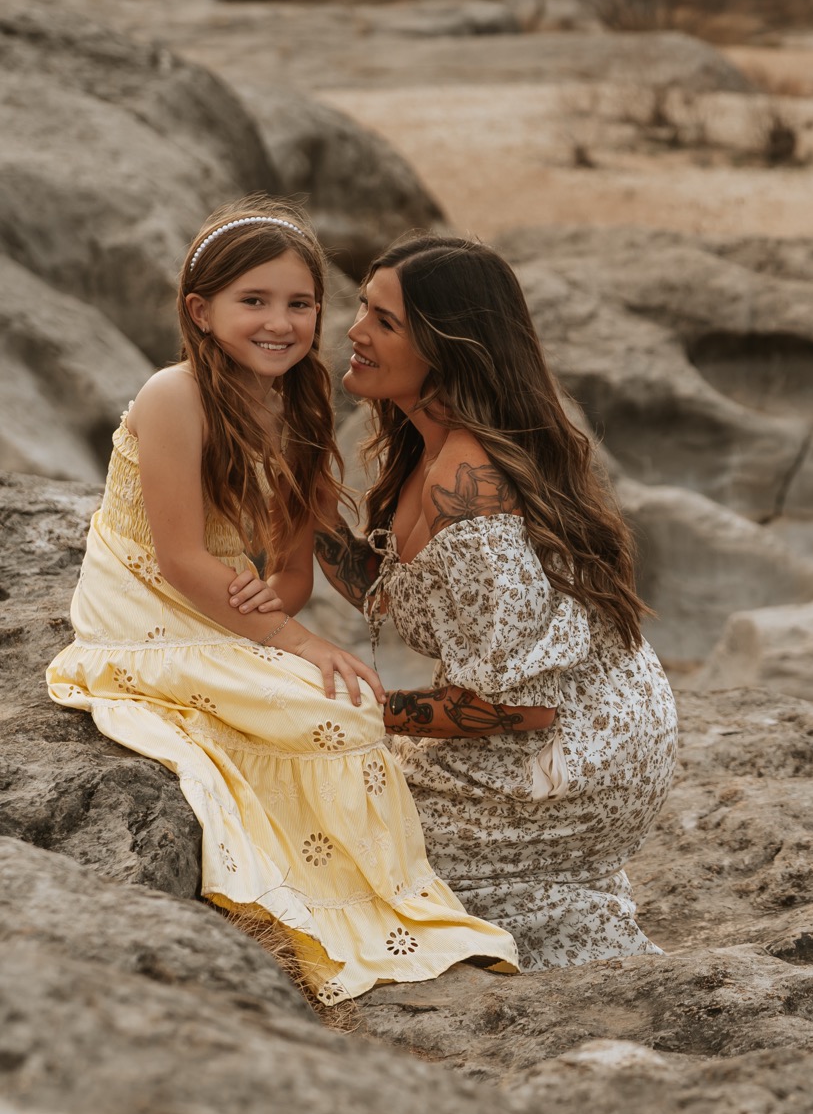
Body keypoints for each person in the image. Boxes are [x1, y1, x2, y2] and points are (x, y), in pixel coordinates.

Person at [45, 199, 519, 1004]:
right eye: (253, 301)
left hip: (221, 601)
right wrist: (292, 639)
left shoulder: (300, 407)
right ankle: (302, 911)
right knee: (315, 706)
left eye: (300, 303)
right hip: (144, 603)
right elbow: (180, 557)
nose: (280, 322)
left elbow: (292, 569)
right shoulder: (174, 396)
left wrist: (274, 603)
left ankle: (377, 903)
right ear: (202, 311)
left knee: (348, 710)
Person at [316, 233, 677, 971]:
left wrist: (364, 711)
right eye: (362, 308)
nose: (354, 332)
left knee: (338, 840)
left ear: (449, 347)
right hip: (565, 723)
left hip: (573, 751)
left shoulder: (470, 485)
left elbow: (519, 705)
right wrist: (310, 509)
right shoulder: (431, 443)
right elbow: (402, 593)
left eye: (384, 321)